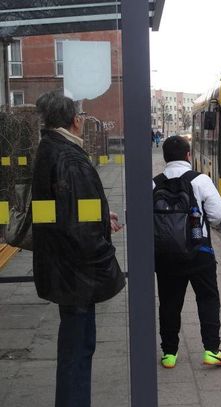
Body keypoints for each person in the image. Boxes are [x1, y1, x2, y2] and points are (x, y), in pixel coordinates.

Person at [32, 91, 125, 407]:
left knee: (75, 347)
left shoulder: (50, 149)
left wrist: (100, 215)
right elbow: (78, 230)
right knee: (78, 349)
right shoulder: (70, 158)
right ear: (74, 121)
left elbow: (66, 209)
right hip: (77, 275)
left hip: (63, 270)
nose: (83, 121)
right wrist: (105, 261)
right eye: (82, 116)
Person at [154, 136, 221, 369]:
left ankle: (169, 354)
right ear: (188, 155)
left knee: (169, 302)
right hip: (200, 252)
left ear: (165, 157)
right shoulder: (201, 180)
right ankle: (211, 350)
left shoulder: (154, 183)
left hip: (165, 256)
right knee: (207, 298)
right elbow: (218, 214)